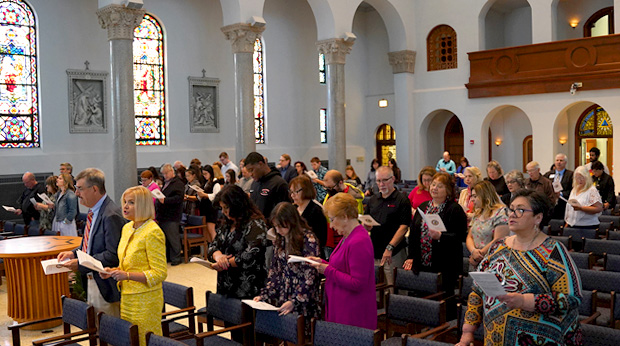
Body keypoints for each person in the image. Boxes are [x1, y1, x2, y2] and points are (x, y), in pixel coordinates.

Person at [457, 190, 583, 346]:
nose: (512, 214)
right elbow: (477, 290)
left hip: (543, 340)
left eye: (520, 210)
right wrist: (468, 331)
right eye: (511, 209)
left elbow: (571, 299)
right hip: (494, 338)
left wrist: (525, 301)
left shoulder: (553, 251)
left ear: (538, 218)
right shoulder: (497, 246)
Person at [100, 186, 167, 346]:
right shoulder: (127, 228)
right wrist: (113, 271)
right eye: (124, 202)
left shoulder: (153, 232)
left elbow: (159, 273)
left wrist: (127, 276)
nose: (125, 206)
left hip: (146, 299)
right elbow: (127, 264)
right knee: (131, 339)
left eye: (131, 202)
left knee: (145, 339)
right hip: (127, 296)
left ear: (143, 205)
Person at [58, 168, 125, 316]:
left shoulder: (110, 215)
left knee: (109, 333)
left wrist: (80, 263)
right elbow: (88, 245)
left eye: (80, 189)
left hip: (106, 284)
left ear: (94, 189)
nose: (76, 193)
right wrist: (73, 253)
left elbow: (112, 255)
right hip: (91, 280)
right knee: (97, 330)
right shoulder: (94, 211)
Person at [308, 193, 376, 329]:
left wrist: (327, 270)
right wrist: (321, 262)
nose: (331, 226)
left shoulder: (359, 241)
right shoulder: (348, 235)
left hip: (352, 310)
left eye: (332, 220)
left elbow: (357, 283)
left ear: (345, 217)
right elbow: (341, 267)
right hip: (341, 303)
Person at [254, 202, 321, 337]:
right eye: (275, 226)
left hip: (303, 296)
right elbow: (274, 272)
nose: (278, 230)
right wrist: (265, 294)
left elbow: (310, 275)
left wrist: (295, 301)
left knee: (301, 336)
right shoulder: (280, 239)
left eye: (280, 226)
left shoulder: (308, 239)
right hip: (285, 294)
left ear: (290, 222)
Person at [404, 172, 467, 293]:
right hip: (421, 262)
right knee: (421, 296)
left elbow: (461, 236)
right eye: (433, 185)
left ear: (448, 190)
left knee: (443, 300)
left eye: (440, 186)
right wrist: (411, 256)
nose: (434, 188)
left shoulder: (454, 209)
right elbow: (414, 234)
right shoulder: (423, 206)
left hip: (445, 264)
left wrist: (441, 236)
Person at [207, 185, 269, 298]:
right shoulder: (227, 223)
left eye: (226, 208)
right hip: (226, 284)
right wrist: (219, 257)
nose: (224, 212)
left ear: (237, 205)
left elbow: (250, 255)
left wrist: (225, 263)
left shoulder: (255, 224)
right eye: (222, 208)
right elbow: (213, 246)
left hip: (247, 285)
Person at [363, 166, 411, 286]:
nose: (381, 184)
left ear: (393, 179)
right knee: (377, 288)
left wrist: (390, 247)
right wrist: (366, 226)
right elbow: (367, 220)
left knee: (392, 287)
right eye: (378, 181)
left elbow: (404, 227)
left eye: (385, 180)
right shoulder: (373, 199)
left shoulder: (402, 199)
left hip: (394, 251)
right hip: (375, 250)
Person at [465, 181, 509, 271]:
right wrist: (473, 252)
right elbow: (470, 236)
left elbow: (499, 240)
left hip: (492, 261)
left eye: (475, 196)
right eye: (472, 196)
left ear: (485, 195)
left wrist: (479, 255)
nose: (472, 199)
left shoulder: (501, 213)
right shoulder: (478, 213)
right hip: (475, 258)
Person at [323, 170, 364, 256]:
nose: (328, 190)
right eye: (326, 188)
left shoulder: (353, 197)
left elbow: (356, 218)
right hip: (331, 239)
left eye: (331, 187)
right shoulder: (331, 194)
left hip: (347, 237)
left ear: (340, 182)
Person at [289, 176, 328, 258]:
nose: (292, 195)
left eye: (295, 192)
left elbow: (321, 238)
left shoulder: (316, 210)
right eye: (291, 192)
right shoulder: (293, 209)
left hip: (312, 255)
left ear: (305, 190)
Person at [245, 151, 290, 221]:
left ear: (260, 164)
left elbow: (284, 214)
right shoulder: (254, 183)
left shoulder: (279, 184)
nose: (250, 174)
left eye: (252, 170)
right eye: (249, 171)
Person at [155, 164, 185, 266]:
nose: (165, 176)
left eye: (166, 173)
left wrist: (165, 200)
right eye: (163, 174)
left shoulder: (178, 183)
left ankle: (176, 257)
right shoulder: (166, 183)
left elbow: (178, 198)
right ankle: (169, 257)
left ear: (172, 171)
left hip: (172, 215)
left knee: (173, 238)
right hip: (164, 215)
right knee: (166, 238)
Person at [543, 153, 574, 220]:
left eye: (561, 160)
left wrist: (561, 194)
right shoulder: (548, 174)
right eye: (557, 160)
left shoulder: (571, 175)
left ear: (565, 163)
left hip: (563, 204)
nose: (559, 162)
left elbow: (573, 190)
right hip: (550, 204)